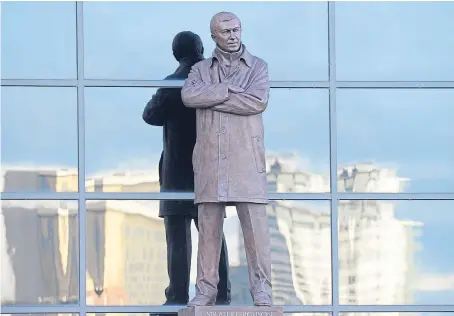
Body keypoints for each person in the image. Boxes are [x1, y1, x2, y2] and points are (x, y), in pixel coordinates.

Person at [181, 12, 272, 307]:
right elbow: (189, 97)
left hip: (246, 159)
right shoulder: (199, 70)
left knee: (255, 231)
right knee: (208, 230)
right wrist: (226, 89)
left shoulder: (258, 67)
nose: (233, 35)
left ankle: (262, 290)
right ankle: (205, 290)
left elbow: (256, 101)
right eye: (226, 31)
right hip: (210, 161)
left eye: (236, 29)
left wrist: (214, 98)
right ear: (214, 37)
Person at [142, 31, 231, 306]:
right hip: (209, 169)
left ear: (175, 54)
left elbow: (150, 115)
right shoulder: (214, 81)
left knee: (178, 239)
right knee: (213, 235)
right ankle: (222, 294)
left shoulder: (173, 83)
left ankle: (178, 296)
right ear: (201, 48)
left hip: (178, 172)